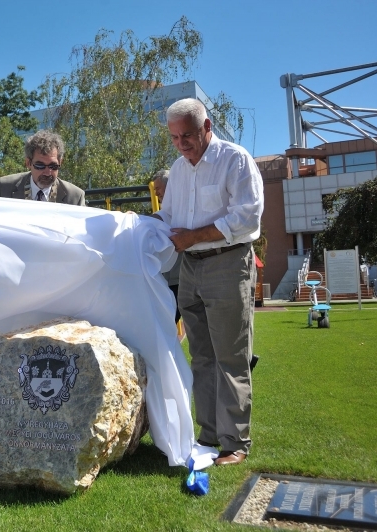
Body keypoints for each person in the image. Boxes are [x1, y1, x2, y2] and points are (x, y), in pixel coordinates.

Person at [153, 98, 264, 466]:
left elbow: (247, 218)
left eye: (187, 135)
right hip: (191, 267)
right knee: (201, 356)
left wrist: (194, 237)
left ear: (207, 127)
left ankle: (235, 444)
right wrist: (135, 226)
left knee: (231, 357)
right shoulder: (178, 169)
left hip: (228, 264)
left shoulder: (235, 159)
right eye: (174, 138)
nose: (181, 144)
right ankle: (209, 435)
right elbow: (169, 217)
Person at [0, 130, 85, 205]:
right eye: (40, 166)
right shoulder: (4, 188)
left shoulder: (75, 197)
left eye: (53, 166)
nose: (47, 172)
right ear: (28, 163)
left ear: (60, 162)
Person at [151, 170, 181, 324]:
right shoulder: (162, 215)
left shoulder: (184, 211)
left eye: (158, 188)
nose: (156, 193)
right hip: (171, 279)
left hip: (179, 279)